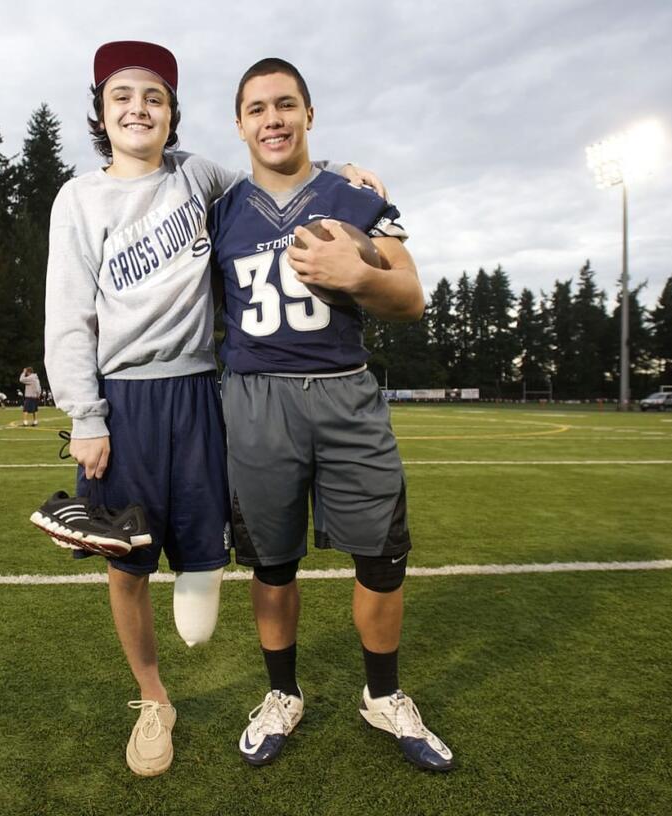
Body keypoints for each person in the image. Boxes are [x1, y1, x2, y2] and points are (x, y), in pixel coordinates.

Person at [38, 41, 385, 778]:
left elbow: (280, 178)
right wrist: (86, 414)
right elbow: (68, 316)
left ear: (172, 114)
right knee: (126, 564)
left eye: (154, 97)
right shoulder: (79, 197)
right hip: (123, 397)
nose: (139, 108)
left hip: (204, 390)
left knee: (207, 553)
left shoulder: (200, 175)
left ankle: (226, 638)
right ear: (102, 111)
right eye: (123, 95)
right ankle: (153, 698)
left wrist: (346, 179)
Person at [207, 58, 453, 772]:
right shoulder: (220, 211)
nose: (272, 119)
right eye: (257, 109)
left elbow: (409, 296)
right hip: (255, 401)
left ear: (309, 114)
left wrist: (360, 276)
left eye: (285, 105)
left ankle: (383, 695)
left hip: (346, 394)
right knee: (272, 563)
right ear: (240, 124)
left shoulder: (356, 197)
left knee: (381, 558)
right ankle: (283, 693)